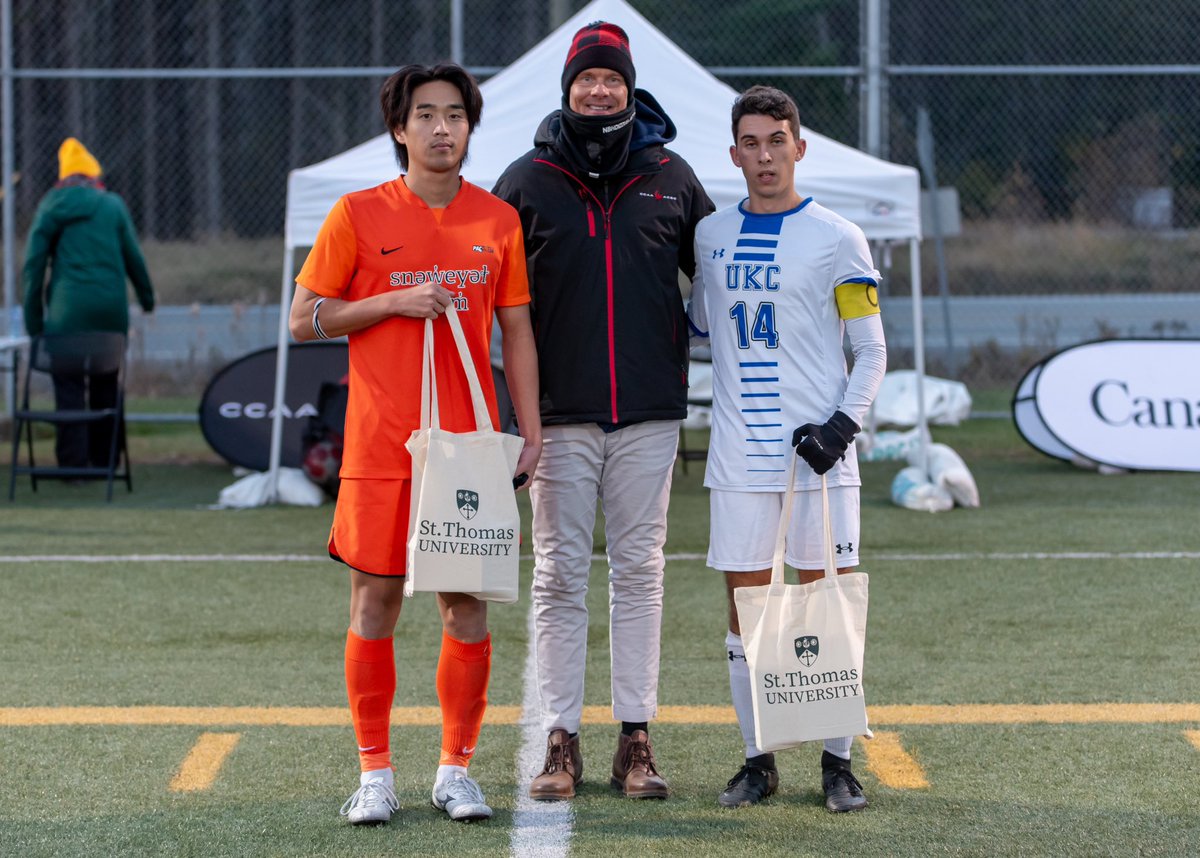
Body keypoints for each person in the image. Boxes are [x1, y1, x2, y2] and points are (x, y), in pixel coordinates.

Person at [288, 63, 541, 826]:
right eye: (425, 115)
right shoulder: (358, 213)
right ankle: (375, 773)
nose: (441, 128)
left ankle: (455, 770)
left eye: (455, 115)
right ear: (399, 129)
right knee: (377, 600)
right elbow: (304, 320)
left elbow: (518, 332)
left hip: (466, 445)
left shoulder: (497, 220)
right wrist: (392, 300)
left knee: (466, 607)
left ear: (470, 127)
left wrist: (529, 430)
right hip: (377, 447)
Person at [492, 21, 714, 801]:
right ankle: (560, 739)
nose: (598, 90)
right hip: (555, 416)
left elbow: (720, 281)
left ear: (628, 86)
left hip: (650, 413)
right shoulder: (525, 180)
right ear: (567, 87)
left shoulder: (672, 176)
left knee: (640, 572)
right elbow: (491, 304)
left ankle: (636, 739)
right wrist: (505, 413)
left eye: (610, 79)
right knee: (556, 576)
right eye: (586, 78)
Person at [687, 85, 887, 811]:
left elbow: (871, 351)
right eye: (751, 143)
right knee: (745, 611)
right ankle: (757, 760)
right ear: (733, 153)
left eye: (778, 141)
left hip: (820, 458)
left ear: (800, 147)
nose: (765, 155)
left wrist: (840, 429)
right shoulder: (710, 235)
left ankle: (837, 763)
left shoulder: (839, 236)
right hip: (740, 456)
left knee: (825, 603)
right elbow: (701, 329)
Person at [22, 137, 155, 470]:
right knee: (106, 384)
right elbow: (133, 257)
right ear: (95, 178)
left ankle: (72, 466)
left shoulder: (51, 206)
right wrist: (147, 298)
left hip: (66, 316)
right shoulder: (112, 205)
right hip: (109, 315)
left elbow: (34, 267)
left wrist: (34, 322)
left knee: (68, 387)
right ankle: (106, 462)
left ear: (62, 179)